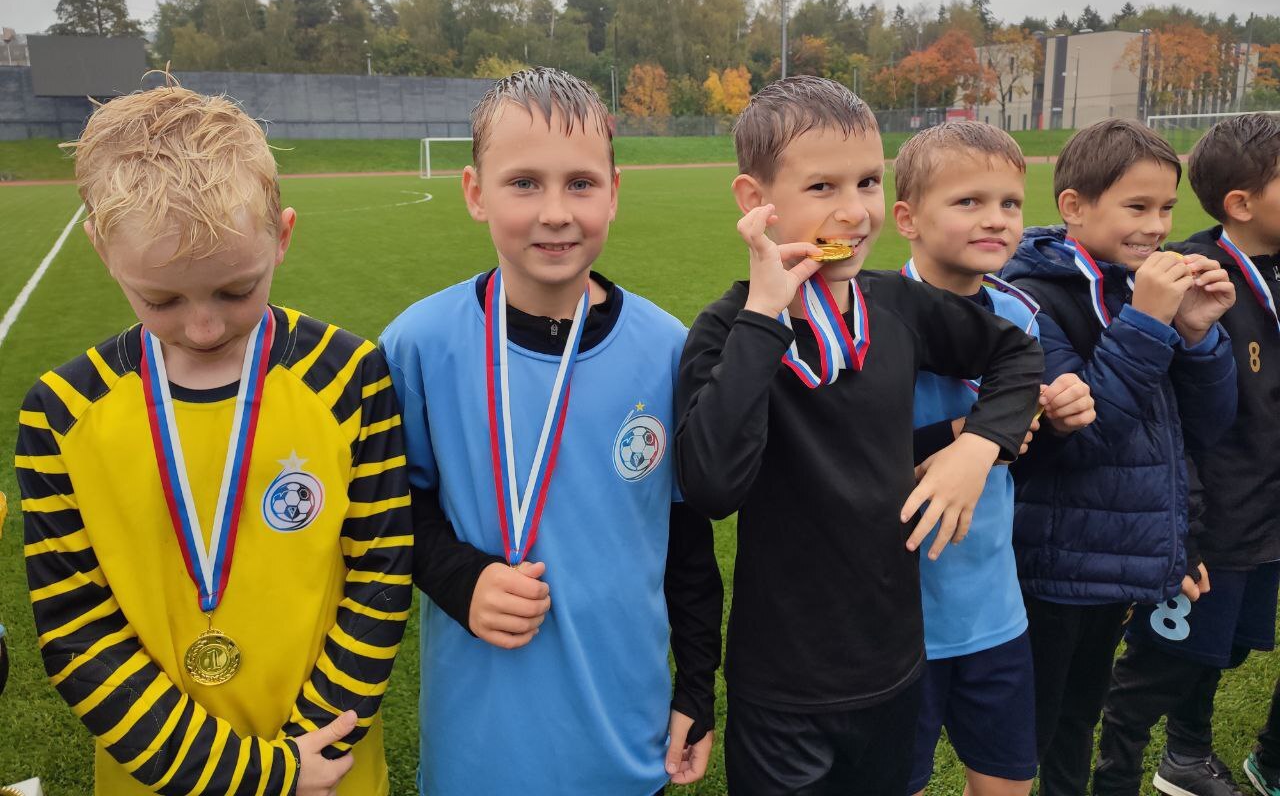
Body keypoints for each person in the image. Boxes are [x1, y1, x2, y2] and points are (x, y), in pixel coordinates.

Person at [15, 83, 412, 796]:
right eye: (161, 299)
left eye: (236, 290)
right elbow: (77, 629)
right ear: (101, 248)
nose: (203, 327)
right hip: (158, 779)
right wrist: (258, 775)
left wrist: (306, 758)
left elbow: (380, 577)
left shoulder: (351, 376)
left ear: (282, 236)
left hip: (330, 768)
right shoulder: (61, 413)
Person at [676, 75, 1044, 795]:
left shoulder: (900, 305)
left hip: (893, 666)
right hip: (782, 682)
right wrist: (764, 318)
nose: (854, 210)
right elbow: (712, 485)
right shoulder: (725, 331)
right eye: (822, 187)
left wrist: (977, 449)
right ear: (754, 201)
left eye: (869, 182)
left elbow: (1017, 356)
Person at [381, 67, 723, 796]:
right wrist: (460, 578)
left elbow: (688, 539)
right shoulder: (419, 344)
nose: (557, 212)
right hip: (481, 752)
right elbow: (388, 509)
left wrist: (697, 685)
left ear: (614, 192)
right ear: (475, 192)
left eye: (581, 184)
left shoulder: (668, 349)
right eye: (524, 183)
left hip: (625, 741)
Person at [1000, 117, 1237, 796]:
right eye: (1137, 207)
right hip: (1053, 559)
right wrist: (1147, 321)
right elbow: (1088, 437)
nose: (1157, 227)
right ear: (1074, 206)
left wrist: (1197, 335)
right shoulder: (1030, 298)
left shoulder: (1136, 287)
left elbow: (1206, 426)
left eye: (1166, 208)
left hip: (1118, 554)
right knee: (1029, 730)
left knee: (1078, 717)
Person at [892, 121, 1095, 796]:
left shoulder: (1019, 313)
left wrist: (1055, 421)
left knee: (1007, 781)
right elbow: (847, 461)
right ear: (908, 219)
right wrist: (958, 437)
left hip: (993, 609)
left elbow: (1018, 463)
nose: (997, 219)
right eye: (969, 201)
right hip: (899, 618)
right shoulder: (870, 318)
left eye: (1009, 202)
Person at [1093, 113, 1280, 796]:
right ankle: (1115, 776)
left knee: (1222, 648)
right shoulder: (1189, 278)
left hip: (1263, 517)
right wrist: (1185, 531)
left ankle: (1186, 756)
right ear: (1241, 204)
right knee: (1159, 666)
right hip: (1209, 520)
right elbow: (1169, 422)